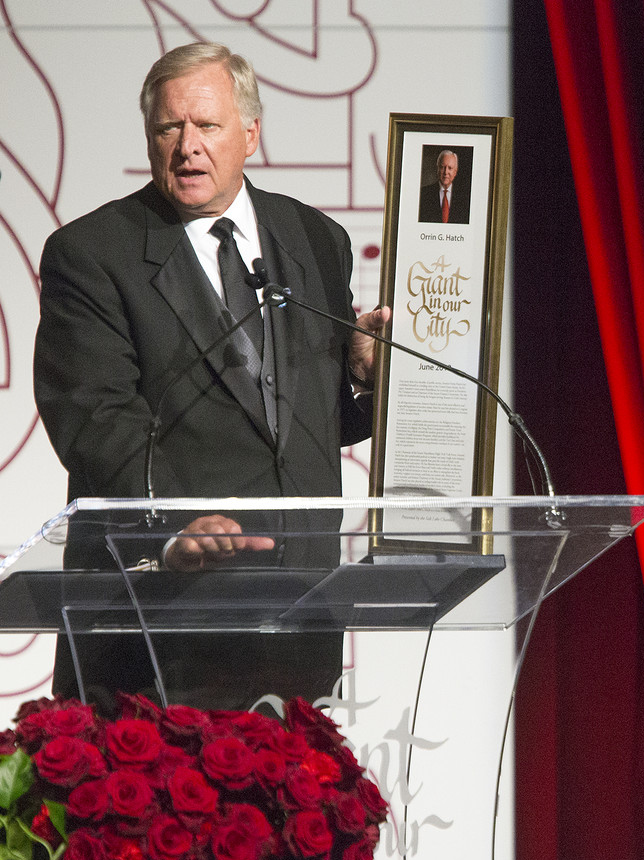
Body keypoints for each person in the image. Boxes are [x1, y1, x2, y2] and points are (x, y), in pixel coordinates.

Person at [33, 42, 390, 710]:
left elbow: (305, 422)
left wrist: (366, 378)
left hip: (299, 623)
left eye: (207, 125)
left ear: (250, 133)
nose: (186, 146)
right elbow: (94, 419)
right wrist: (177, 528)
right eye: (169, 128)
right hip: (158, 624)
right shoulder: (92, 254)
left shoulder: (317, 239)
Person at [418, 148, 471, 224]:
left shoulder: (465, 196)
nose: (446, 172)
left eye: (450, 168)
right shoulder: (423, 194)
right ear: (438, 169)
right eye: (442, 167)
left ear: (455, 172)